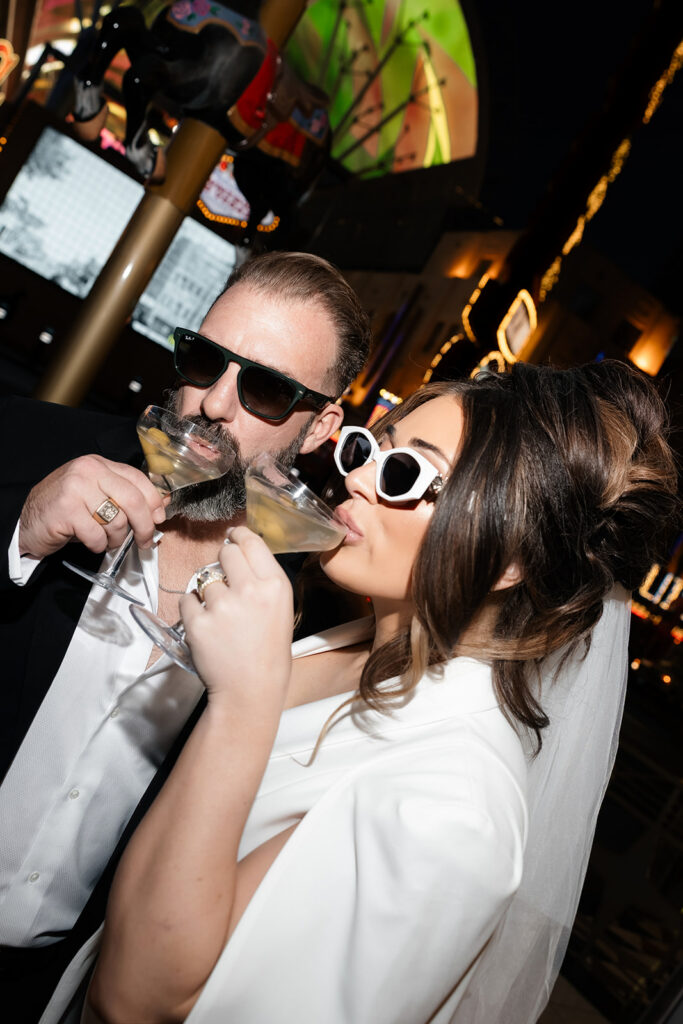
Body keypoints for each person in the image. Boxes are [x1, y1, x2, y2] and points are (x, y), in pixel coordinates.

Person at [74, 359, 678, 1024]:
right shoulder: (348, 641)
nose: (352, 477)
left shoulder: (453, 812)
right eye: (369, 448)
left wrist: (241, 703)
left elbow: (138, 999)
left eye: (403, 475)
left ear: (511, 560)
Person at [0, 251, 371, 1022]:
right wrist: (18, 538)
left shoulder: (309, 618)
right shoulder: (32, 449)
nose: (213, 403)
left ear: (320, 426)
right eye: (205, 360)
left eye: (267, 388)